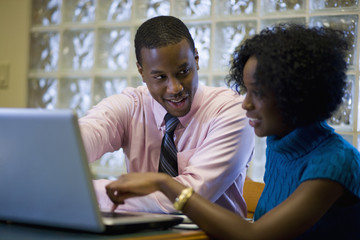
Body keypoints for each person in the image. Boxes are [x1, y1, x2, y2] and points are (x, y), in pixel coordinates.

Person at [105, 24, 360, 239]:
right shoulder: (279, 143)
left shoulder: (335, 162)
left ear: (296, 93)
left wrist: (163, 183)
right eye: (246, 90)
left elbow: (254, 237)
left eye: (257, 93)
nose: (246, 104)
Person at [79, 15, 254, 215]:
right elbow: (80, 139)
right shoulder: (132, 105)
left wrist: (79, 192)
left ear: (196, 60)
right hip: (142, 234)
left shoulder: (231, 111)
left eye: (183, 72)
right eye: (160, 77)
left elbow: (186, 198)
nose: (175, 88)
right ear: (141, 72)